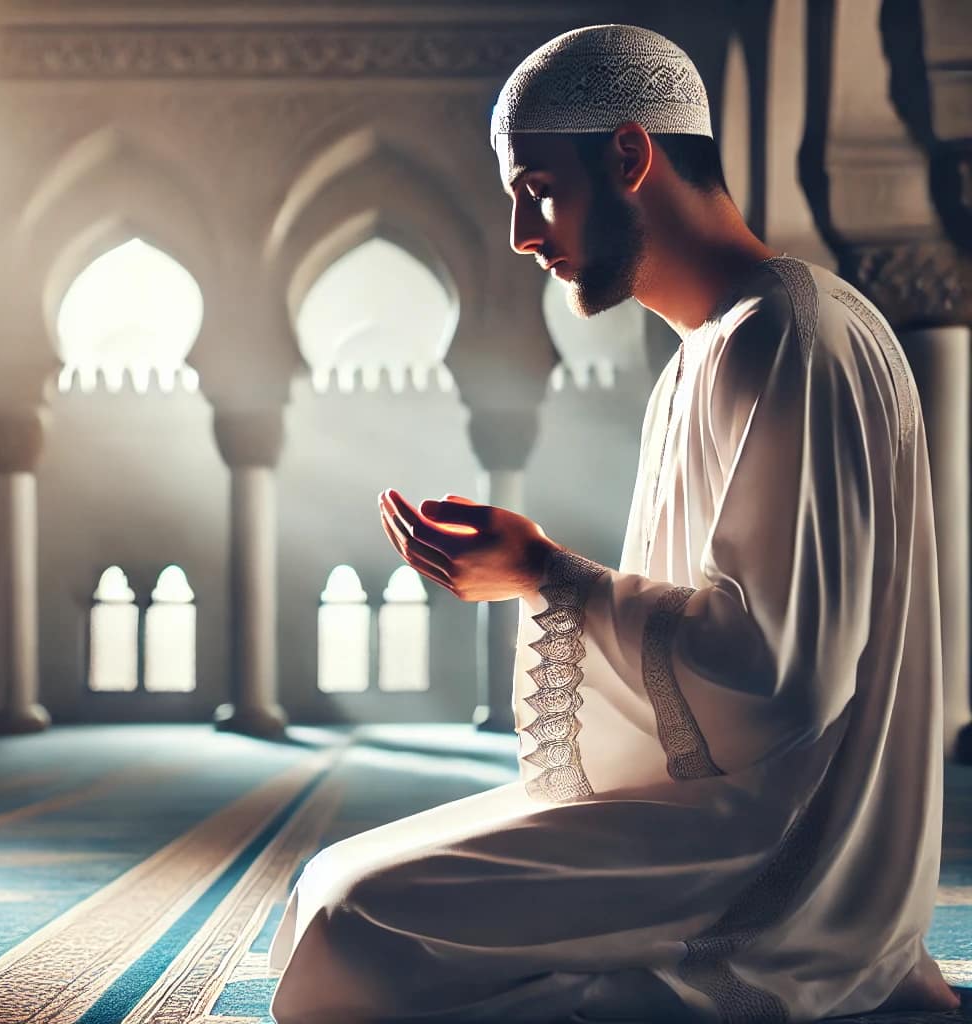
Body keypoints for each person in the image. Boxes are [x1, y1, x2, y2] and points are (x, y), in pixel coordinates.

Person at [269, 24, 960, 1022]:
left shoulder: (785, 335)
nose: (522, 232)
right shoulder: (704, 353)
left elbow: (778, 684)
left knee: (354, 927)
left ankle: (813, 973)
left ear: (629, 155)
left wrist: (546, 573)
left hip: (779, 843)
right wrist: (538, 576)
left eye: (538, 188)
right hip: (717, 797)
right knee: (328, 888)